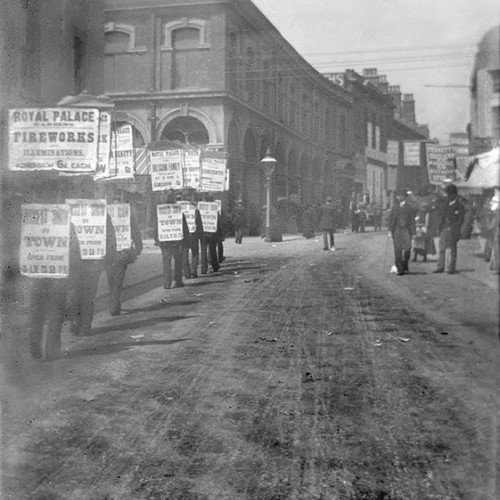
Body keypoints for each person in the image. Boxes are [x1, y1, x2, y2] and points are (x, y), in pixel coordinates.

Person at [67, 177, 117, 336]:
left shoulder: (100, 210)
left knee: (86, 295)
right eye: (85, 188)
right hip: (76, 260)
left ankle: (84, 325)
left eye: (90, 188)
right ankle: (79, 323)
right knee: (78, 294)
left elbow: (110, 234)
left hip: (93, 260)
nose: (87, 192)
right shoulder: (71, 209)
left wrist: (109, 256)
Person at [106, 196, 143, 316]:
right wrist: (138, 246)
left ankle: (114, 304)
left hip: (111, 253)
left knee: (112, 279)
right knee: (116, 280)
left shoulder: (105, 214)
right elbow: (135, 230)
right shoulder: (127, 215)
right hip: (120, 252)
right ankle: (114, 305)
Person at [153, 191, 189, 289]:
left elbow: (156, 226)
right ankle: (178, 281)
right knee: (178, 261)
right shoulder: (178, 211)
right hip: (177, 240)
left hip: (164, 241)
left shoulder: (160, 212)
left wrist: (157, 239)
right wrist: (186, 239)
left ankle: (167, 283)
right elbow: (184, 226)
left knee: (166, 261)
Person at [433, 183, 465, 274]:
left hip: (453, 229)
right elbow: (440, 216)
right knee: (442, 248)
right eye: (447, 194)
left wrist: (453, 227)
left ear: (454, 195)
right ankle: (440, 266)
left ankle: (451, 267)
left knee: (452, 249)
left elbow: (460, 220)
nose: (448, 196)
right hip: (444, 228)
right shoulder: (444, 204)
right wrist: (439, 228)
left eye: (450, 194)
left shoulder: (460, 206)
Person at [387, 188, 416, 275]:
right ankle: (400, 269)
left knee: (407, 249)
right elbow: (391, 219)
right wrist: (389, 230)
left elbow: (412, 221)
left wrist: (413, 233)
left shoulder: (409, 208)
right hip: (397, 230)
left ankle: (405, 265)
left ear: (404, 197)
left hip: (406, 230)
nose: (398, 197)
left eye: (400, 196)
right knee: (397, 250)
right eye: (397, 196)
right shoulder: (395, 207)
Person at [182, 198, 203, 279]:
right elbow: (199, 223)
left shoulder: (179, 210)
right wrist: (200, 235)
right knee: (195, 253)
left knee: (185, 254)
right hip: (193, 234)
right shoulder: (195, 210)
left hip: (184, 235)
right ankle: (193, 271)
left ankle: (187, 273)